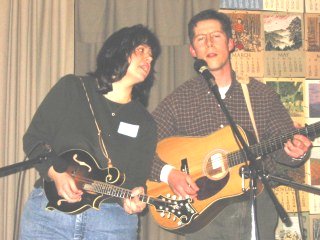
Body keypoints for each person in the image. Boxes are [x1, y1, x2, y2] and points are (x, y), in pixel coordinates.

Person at [149, 9, 312, 240]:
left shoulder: (261, 96)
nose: (209, 43)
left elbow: (284, 150)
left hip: (255, 206)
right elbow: (140, 148)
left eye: (216, 36)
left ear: (231, 43)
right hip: (203, 214)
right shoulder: (179, 100)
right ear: (193, 51)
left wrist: (296, 152)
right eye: (200, 39)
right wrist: (168, 174)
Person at [19, 24, 160, 240]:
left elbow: (135, 180)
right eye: (141, 50)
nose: (148, 59)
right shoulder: (73, 87)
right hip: (50, 215)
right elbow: (34, 139)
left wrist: (132, 199)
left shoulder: (145, 123)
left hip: (111, 223)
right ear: (118, 51)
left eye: (151, 56)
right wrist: (55, 172)